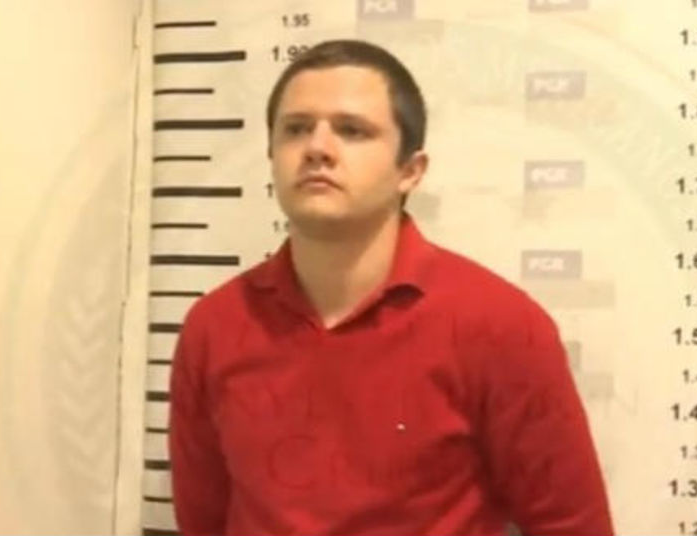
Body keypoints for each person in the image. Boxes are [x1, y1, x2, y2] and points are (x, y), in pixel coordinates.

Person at [167, 38, 614, 536]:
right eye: (296, 129)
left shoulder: (500, 325)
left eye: (352, 130)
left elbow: (573, 526)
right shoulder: (215, 326)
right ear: (271, 155)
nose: (317, 148)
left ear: (410, 171)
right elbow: (203, 521)